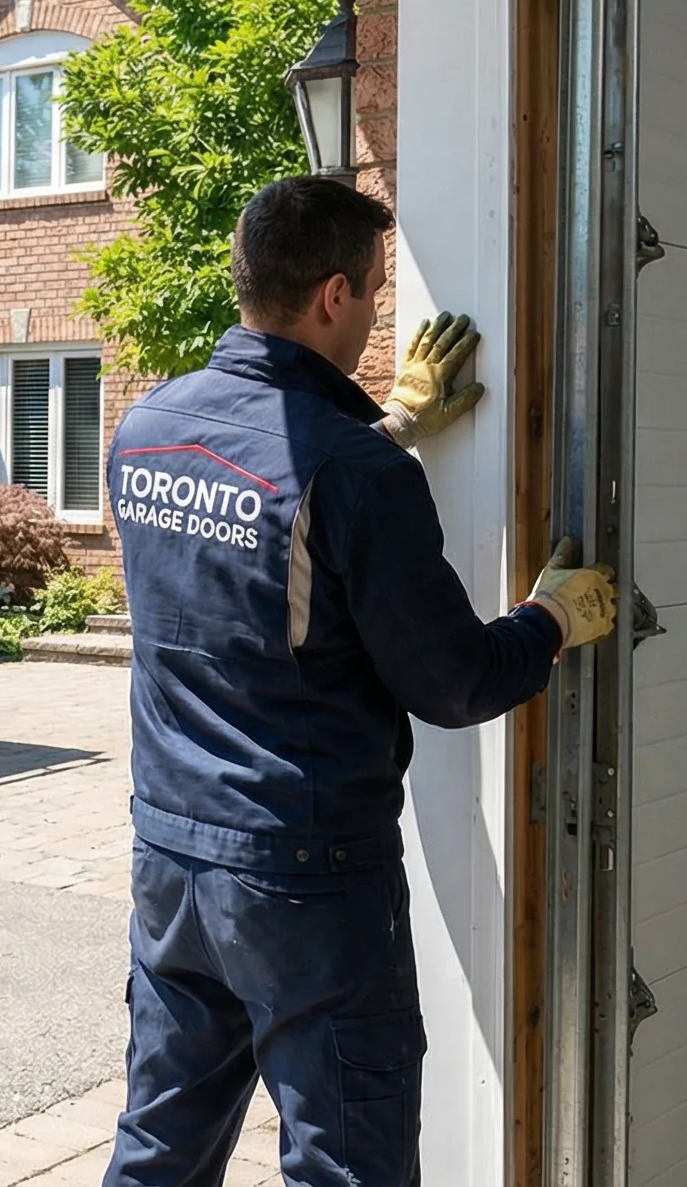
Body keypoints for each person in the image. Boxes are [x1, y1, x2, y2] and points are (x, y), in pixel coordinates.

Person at [102, 174, 617, 1185]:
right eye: (377, 290)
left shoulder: (145, 428)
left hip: (171, 859)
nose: (380, 309)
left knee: (161, 1143)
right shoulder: (355, 475)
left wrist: (390, 425)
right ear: (332, 296)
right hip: (304, 879)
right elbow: (456, 683)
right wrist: (550, 618)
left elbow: (253, 547)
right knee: (346, 1158)